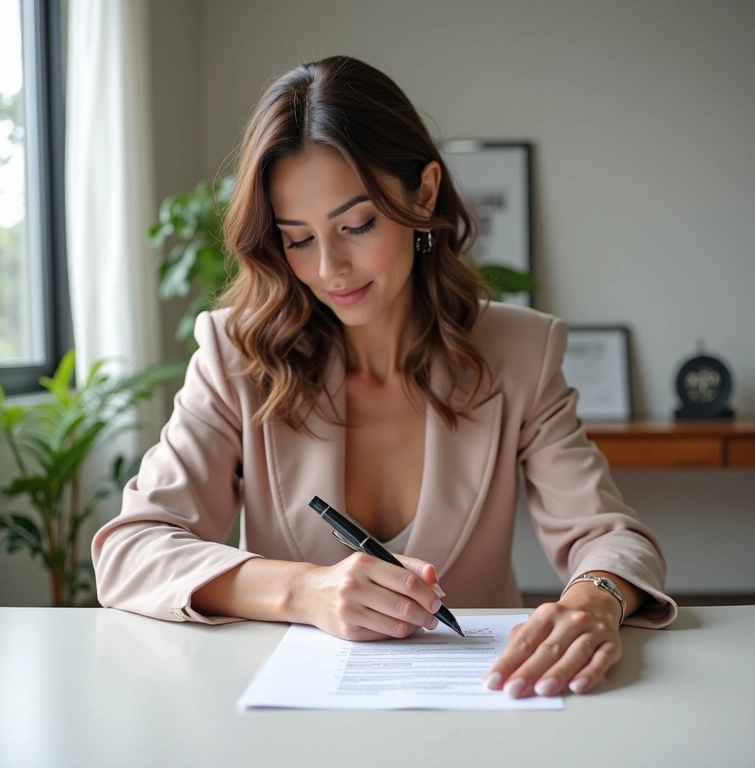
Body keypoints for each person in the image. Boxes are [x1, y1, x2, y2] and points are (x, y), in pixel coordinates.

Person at [92, 55, 677, 699]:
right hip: (290, 718)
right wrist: (302, 590)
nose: (329, 268)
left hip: (482, 704)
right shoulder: (238, 355)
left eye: (357, 225)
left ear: (424, 193)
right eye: (298, 238)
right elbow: (132, 549)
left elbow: (608, 534)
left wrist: (594, 602)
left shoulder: (520, 351)